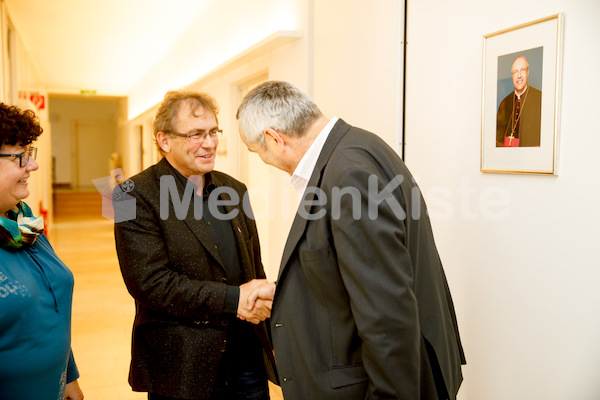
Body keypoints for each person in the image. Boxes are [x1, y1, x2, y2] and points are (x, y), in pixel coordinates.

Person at [236, 81, 466, 400]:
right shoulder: (355, 147)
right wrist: (287, 291)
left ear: (275, 139)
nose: (265, 162)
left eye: (257, 153)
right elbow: (357, 268)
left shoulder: (348, 174)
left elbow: (387, 313)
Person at [114, 90, 277, 400]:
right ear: (164, 140)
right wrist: (233, 300)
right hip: (183, 367)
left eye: (213, 132)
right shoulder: (129, 196)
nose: (210, 143)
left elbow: (252, 265)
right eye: (196, 134)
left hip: (246, 358)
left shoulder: (234, 189)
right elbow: (150, 284)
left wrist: (261, 301)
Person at [0, 103, 84, 400]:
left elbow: (50, 307)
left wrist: (69, 374)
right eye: (19, 156)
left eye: (30, 154)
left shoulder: (23, 224)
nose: (32, 165)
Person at [496, 55, 542, 147]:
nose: (519, 76)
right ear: (512, 76)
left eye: (523, 70)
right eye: (515, 72)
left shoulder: (540, 99)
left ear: (528, 72)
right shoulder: (504, 102)